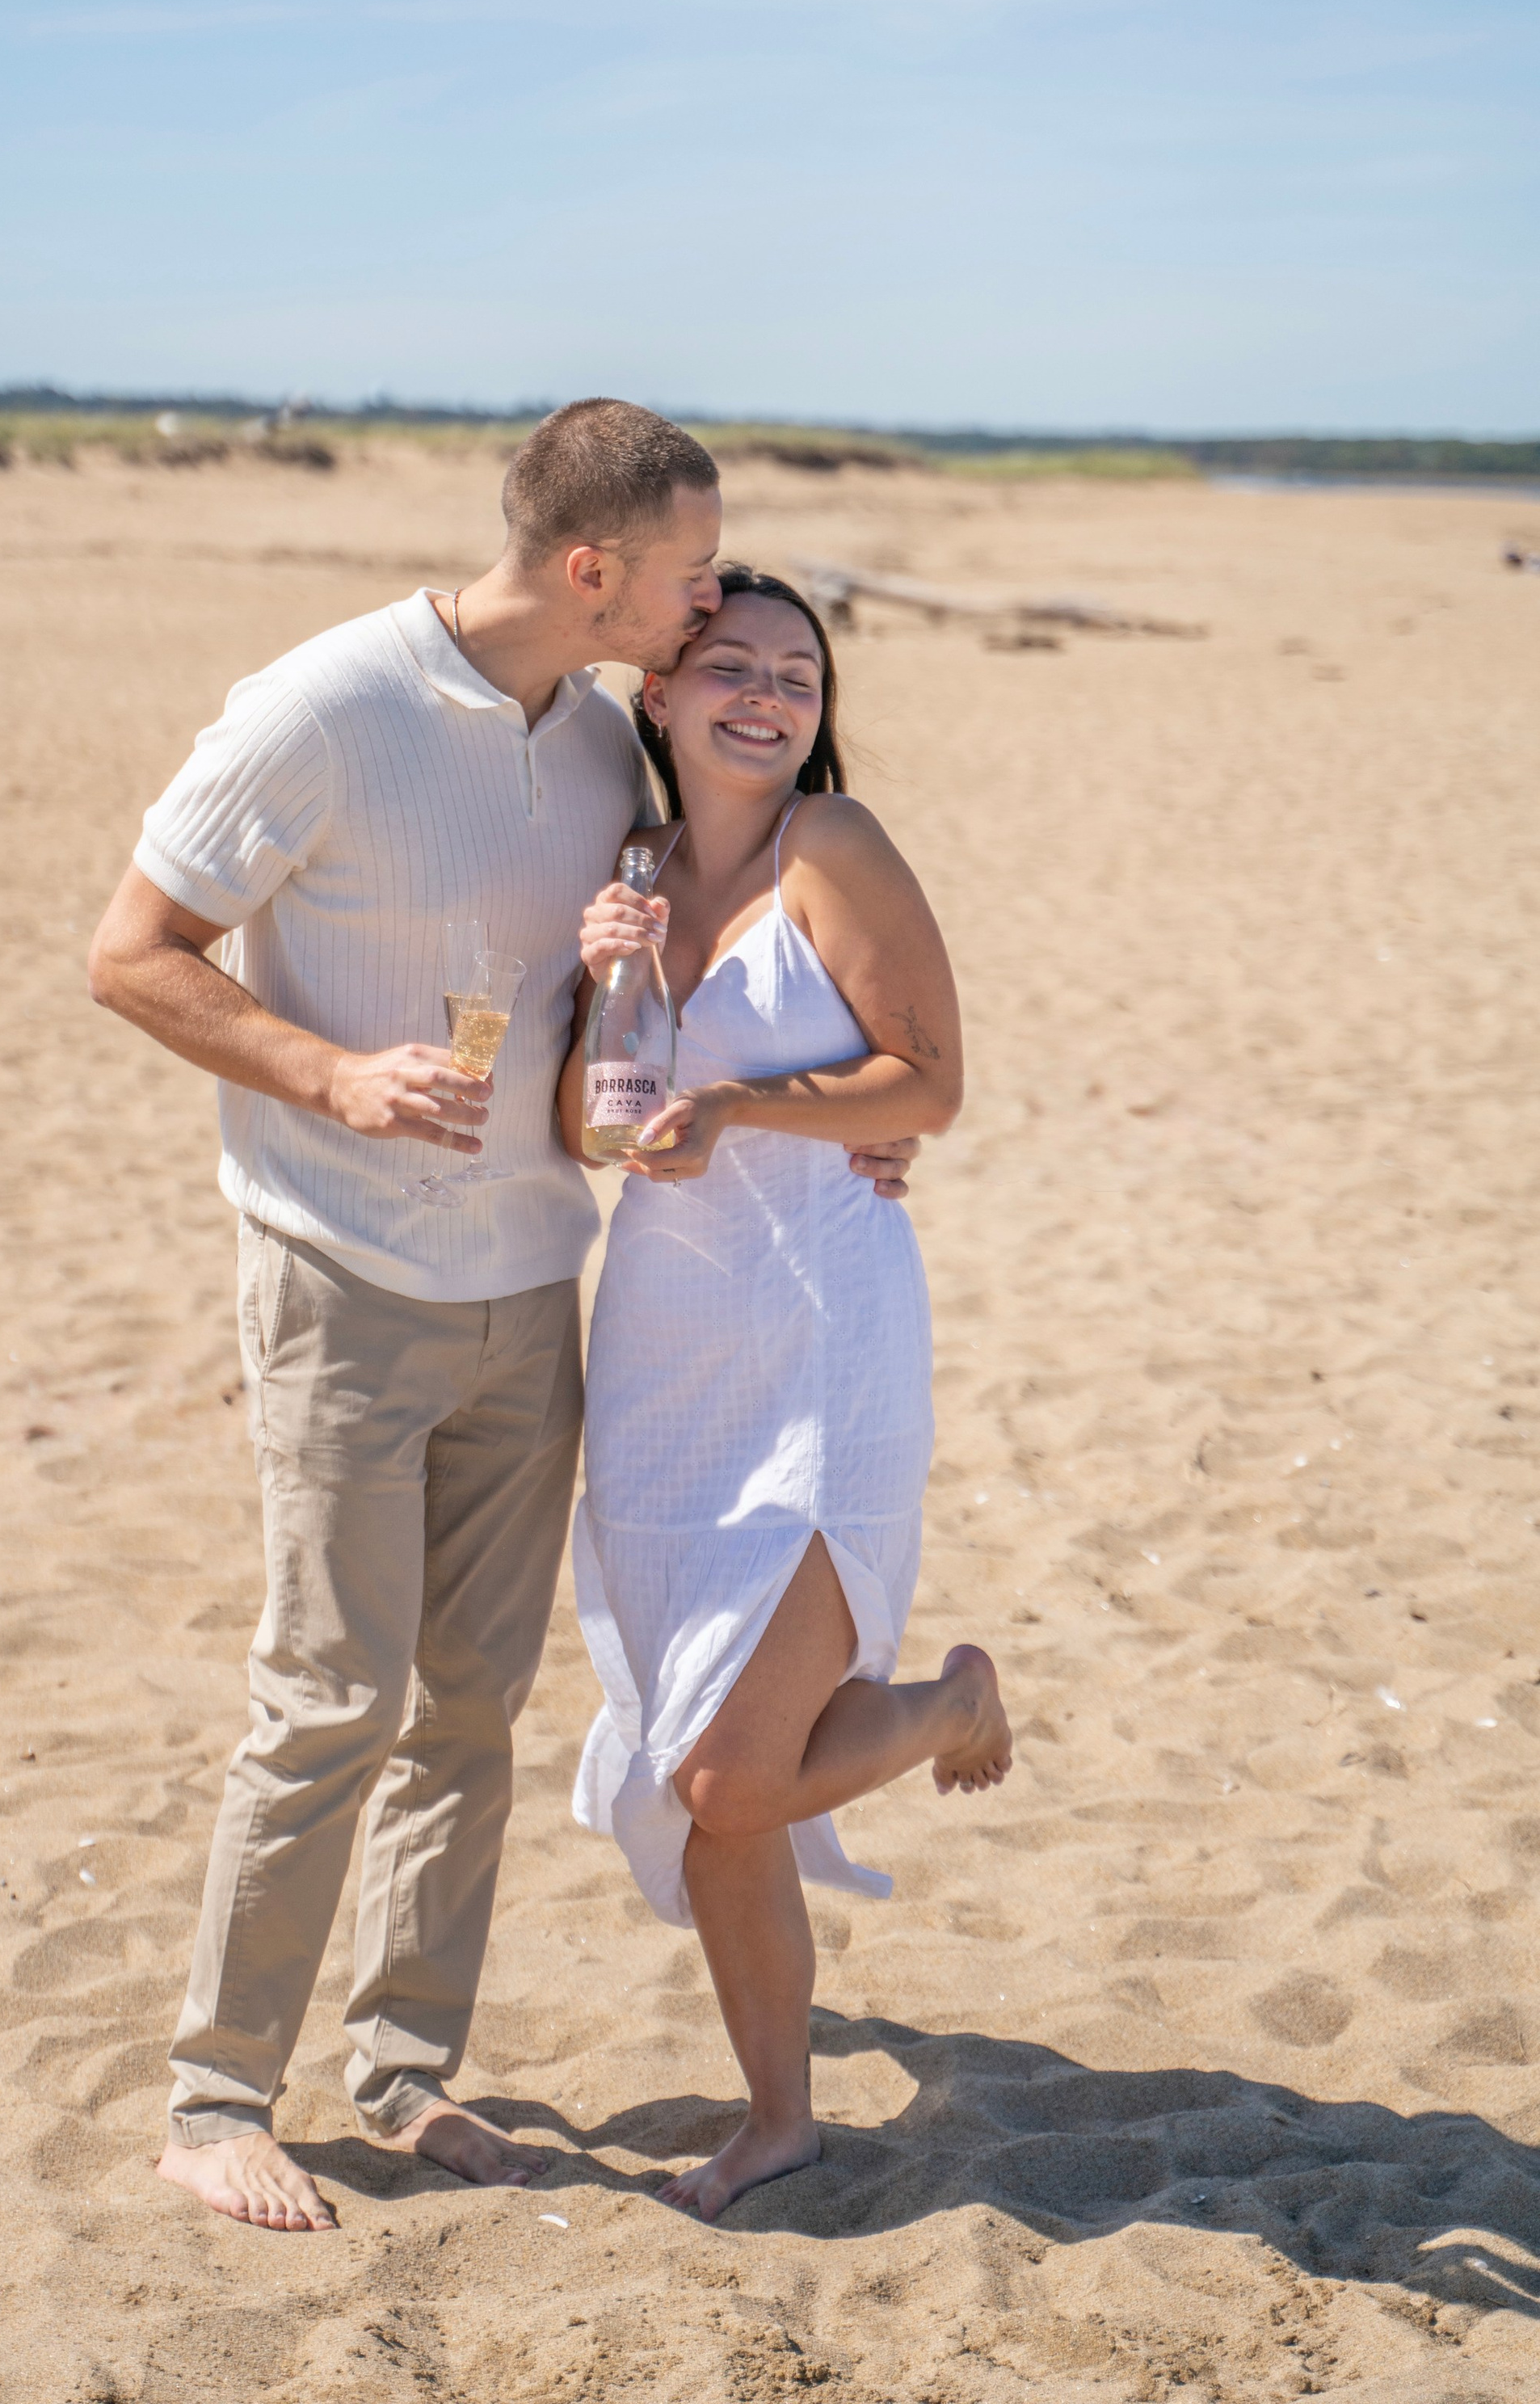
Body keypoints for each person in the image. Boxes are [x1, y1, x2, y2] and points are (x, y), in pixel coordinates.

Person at [89, 405, 919, 2236]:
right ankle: (216, 2093)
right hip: (337, 1276)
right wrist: (325, 1069)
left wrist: (833, 1131)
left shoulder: (603, 750)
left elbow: (689, 983)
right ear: (588, 570)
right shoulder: (322, 706)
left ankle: (401, 2064)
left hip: (537, 1289)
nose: (712, 600)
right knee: (328, 1693)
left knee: (468, 1706)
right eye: (694, 566)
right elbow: (128, 950)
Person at [558, 563, 1012, 2225]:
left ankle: (948, 1702)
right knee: (703, 1782)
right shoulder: (629, 869)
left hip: (824, 1336)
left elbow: (933, 1080)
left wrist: (749, 1104)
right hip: (667, 1352)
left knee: (724, 1781)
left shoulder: (834, 845)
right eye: (728, 664)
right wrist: (607, 972)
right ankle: (777, 2118)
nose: (765, 691)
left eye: (796, 671)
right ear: (660, 697)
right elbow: (587, 1127)